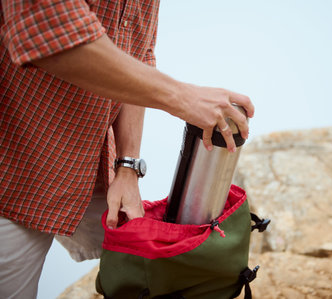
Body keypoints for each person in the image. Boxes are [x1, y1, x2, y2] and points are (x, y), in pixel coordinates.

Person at [0, 1, 254, 298]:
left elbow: (137, 52)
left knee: (179, 267)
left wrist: (127, 167)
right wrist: (184, 98)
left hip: (84, 158)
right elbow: (49, 35)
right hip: (12, 164)